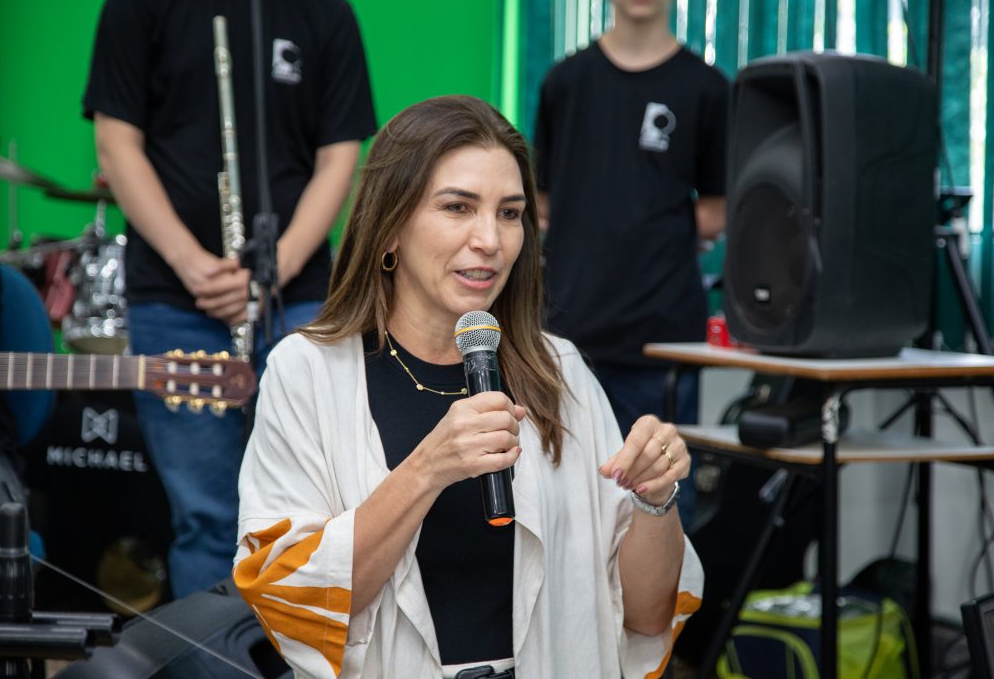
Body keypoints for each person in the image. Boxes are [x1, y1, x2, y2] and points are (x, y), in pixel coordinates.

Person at [232, 95, 703, 678]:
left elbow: (647, 617)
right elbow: (291, 600)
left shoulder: (560, 370)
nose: (491, 240)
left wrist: (656, 499)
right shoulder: (307, 372)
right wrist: (428, 468)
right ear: (389, 228)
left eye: (510, 213)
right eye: (458, 207)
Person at [82, 0, 376, 598]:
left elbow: (340, 158)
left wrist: (274, 268)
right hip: (173, 298)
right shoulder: (137, 7)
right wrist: (195, 268)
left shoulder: (326, 14)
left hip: (294, 298)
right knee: (207, 519)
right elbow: (116, 144)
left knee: (317, 511)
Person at [534, 0, 729, 526]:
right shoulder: (565, 81)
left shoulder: (707, 88)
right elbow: (542, 202)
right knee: (562, 503)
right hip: (566, 334)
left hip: (660, 338)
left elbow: (716, 209)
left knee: (658, 502)